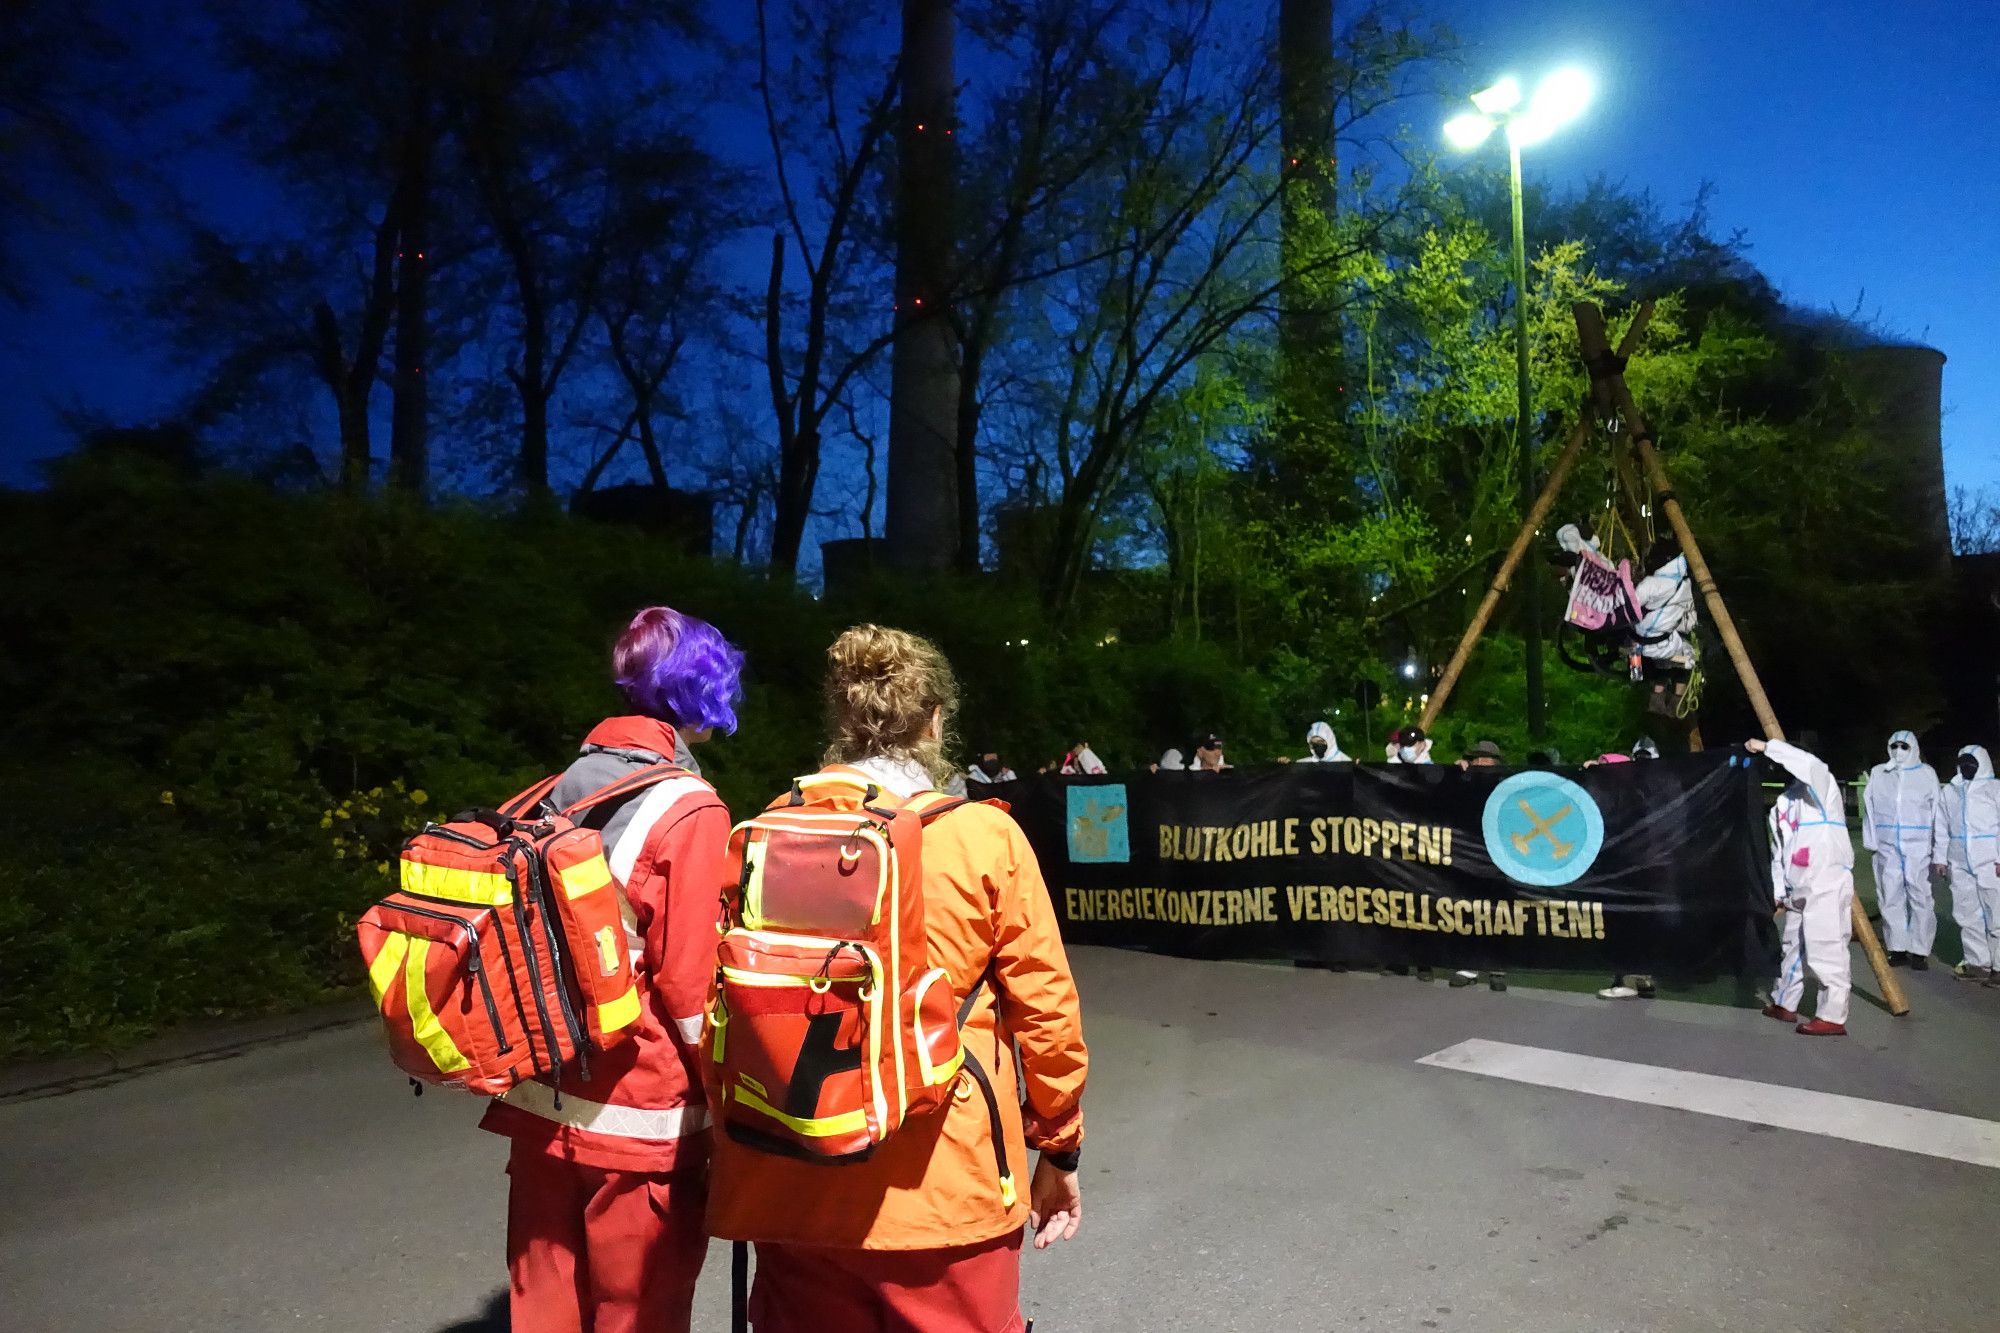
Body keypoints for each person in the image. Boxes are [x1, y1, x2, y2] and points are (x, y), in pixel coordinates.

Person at [707, 626, 1090, 1331]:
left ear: (841, 720)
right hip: (945, 1183)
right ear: (935, 720)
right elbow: (1047, 1013)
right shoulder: (983, 836)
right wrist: (1058, 1147)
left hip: (792, 1173)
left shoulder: (768, 830)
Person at [480, 606, 743, 1333]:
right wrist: (730, 1095)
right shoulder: (691, 808)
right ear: (702, 696)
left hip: (541, 1091)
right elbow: (688, 986)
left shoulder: (559, 785)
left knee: (543, 1306)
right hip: (639, 1114)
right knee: (638, 1312)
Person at [1751, 737, 1854, 1035]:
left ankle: (1833, 1015)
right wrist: (1778, 892)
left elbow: (1812, 765)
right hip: (1797, 884)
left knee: (1828, 944)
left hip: (1826, 879)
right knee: (1793, 946)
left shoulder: (1823, 788)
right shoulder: (1784, 803)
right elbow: (1779, 852)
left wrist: (1767, 746)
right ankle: (1785, 1002)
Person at [1863, 730, 1941, 969]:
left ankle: (1919, 950)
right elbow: (1869, 807)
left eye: (1904, 746)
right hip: (1887, 845)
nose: (1899, 751)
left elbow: (1937, 811)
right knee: (1890, 895)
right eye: (1894, 746)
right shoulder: (1880, 773)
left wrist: (1938, 848)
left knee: (1920, 896)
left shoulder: (1926, 775)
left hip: (1918, 845)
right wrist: (1871, 840)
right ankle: (1896, 947)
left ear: (1913, 748)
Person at [1931, 744, 2000, 984]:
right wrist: (1940, 858)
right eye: (1963, 762)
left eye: (1972, 762)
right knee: (1967, 914)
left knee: (1997, 914)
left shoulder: (1994, 789)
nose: (1967, 767)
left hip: (1990, 860)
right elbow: (1941, 826)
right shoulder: (1951, 791)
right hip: (1959, 861)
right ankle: (1977, 962)